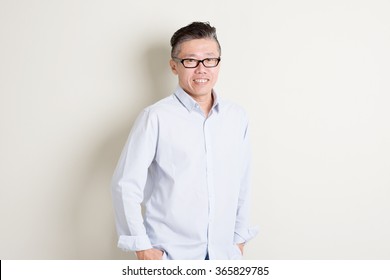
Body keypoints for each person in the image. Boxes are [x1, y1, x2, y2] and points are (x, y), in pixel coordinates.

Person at [111, 22, 258, 260]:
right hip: (171, 256)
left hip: (224, 256)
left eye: (209, 59)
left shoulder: (236, 117)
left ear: (218, 63)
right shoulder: (155, 117)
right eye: (190, 61)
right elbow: (125, 185)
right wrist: (142, 247)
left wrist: (238, 241)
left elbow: (242, 182)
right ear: (174, 66)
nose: (201, 69)